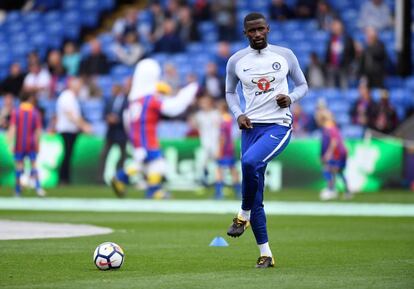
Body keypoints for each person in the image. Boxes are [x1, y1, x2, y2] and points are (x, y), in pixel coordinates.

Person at [225, 12, 308, 268]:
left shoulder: (285, 55)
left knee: (250, 163)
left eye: (261, 29)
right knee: (255, 190)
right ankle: (266, 254)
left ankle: (242, 214)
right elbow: (229, 92)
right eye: (252, 31)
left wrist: (291, 98)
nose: (257, 34)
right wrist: (238, 114)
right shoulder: (236, 61)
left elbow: (303, 85)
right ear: (245, 33)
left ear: (268, 29)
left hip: (278, 125)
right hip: (250, 128)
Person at [111, 58, 198, 199]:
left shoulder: (134, 99)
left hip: (138, 135)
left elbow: (127, 119)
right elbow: (173, 108)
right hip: (146, 135)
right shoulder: (149, 99)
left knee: (148, 163)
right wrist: (189, 91)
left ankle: (142, 185)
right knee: (153, 162)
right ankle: (133, 182)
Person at [7, 92, 46, 197]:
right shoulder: (35, 112)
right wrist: (38, 144)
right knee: (33, 165)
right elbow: (38, 130)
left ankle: (17, 190)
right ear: (30, 99)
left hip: (19, 144)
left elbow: (13, 128)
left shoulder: (16, 112)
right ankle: (38, 188)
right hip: (31, 143)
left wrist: (10, 142)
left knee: (19, 166)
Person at [55, 77, 91, 185]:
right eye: (79, 85)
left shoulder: (72, 97)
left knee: (68, 155)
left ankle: (66, 178)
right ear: (73, 85)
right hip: (67, 130)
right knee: (67, 155)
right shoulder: (67, 96)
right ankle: (63, 179)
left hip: (71, 130)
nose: (80, 88)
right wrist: (84, 126)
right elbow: (71, 115)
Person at [316, 109, 351, 200]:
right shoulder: (330, 127)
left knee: (328, 169)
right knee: (337, 171)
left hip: (337, 153)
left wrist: (328, 153)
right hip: (340, 152)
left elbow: (334, 141)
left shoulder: (329, 127)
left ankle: (331, 190)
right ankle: (345, 191)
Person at [98, 83, 128, 183]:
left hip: (121, 133)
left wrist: (117, 119)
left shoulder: (126, 100)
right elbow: (104, 113)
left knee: (122, 157)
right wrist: (108, 118)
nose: (112, 90)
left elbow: (127, 115)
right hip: (110, 133)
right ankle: (100, 179)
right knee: (103, 155)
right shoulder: (109, 100)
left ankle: (120, 179)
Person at [190, 95, 221, 187]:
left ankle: (219, 184)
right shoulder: (199, 115)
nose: (203, 105)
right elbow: (194, 126)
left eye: (205, 103)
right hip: (204, 142)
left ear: (210, 103)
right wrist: (192, 109)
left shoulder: (216, 113)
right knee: (202, 162)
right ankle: (205, 181)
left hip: (216, 142)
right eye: (201, 103)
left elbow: (221, 128)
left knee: (217, 163)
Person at [215, 100, 241, 199]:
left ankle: (219, 192)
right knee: (232, 169)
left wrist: (219, 150)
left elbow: (223, 137)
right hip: (231, 146)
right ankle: (238, 191)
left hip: (225, 148)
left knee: (219, 169)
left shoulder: (223, 120)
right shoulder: (230, 118)